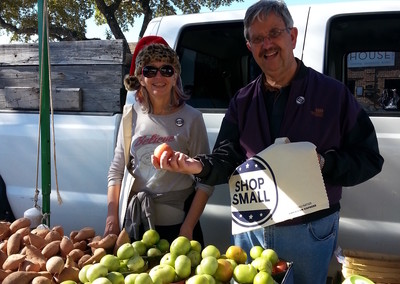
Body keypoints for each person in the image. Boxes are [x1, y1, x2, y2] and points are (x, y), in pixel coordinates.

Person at [153, 1, 384, 283]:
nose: (268, 44)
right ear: (250, 48)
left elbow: (370, 158)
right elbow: (227, 159)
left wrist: (324, 163)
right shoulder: (242, 100)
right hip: (251, 230)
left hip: (308, 230)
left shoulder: (333, 95)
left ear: (293, 36)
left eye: (274, 33)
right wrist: (195, 165)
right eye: (258, 38)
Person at [104, 36, 213, 246]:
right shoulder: (130, 116)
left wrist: (187, 227)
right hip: (135, 224)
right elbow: (117, 169)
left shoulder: (192, 118)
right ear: (140, 77)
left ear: (175, 76)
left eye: (167, 69)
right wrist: (111, 217)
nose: (159, 76)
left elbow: (206, 180)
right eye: (150, 70)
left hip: (178, 228)